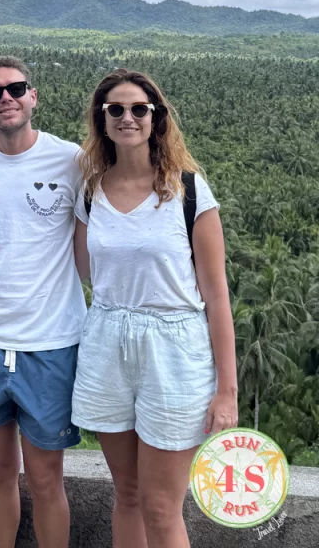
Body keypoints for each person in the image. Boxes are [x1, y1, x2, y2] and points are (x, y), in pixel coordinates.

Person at [71, 68, 237, 548]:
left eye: (139, 109)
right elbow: (83, 270)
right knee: (126, 494)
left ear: (155, 117)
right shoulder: (91, 192)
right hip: (108, 342)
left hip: (174, 350)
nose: (127, 118)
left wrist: (226, 390)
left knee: (161, 507)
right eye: (116, 109)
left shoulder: (188, 191)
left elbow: (216, 294)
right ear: (102, 120)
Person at [0, 56, 85, 548]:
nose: (5, 98)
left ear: (33, 96)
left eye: (15, 88)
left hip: (51, 341)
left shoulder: (70, 160)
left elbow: (88, 243)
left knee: (47, 480)